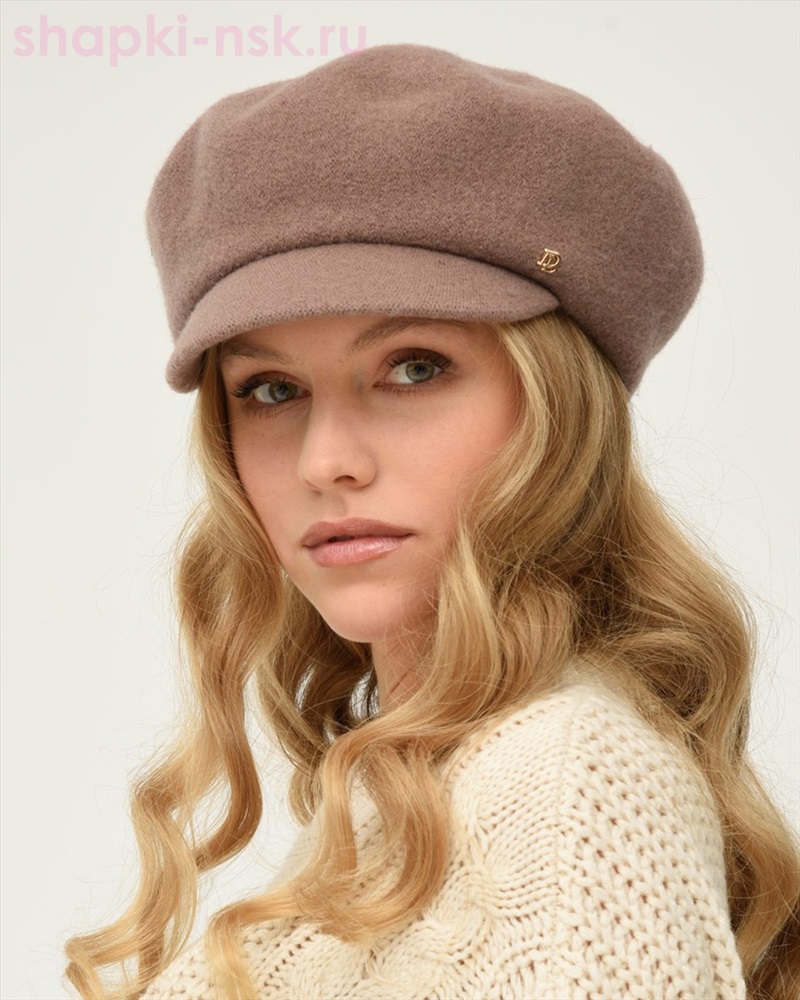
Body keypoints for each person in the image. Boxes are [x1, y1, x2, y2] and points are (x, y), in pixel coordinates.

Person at [64, 43, 799, 1000]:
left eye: (413, 367)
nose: (327, 460)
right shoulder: (423, 797)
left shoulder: (569, 781)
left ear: (557, 408)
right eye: (272, 388)